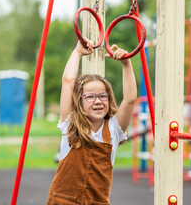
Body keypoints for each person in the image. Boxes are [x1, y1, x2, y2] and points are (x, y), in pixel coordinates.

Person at [46, 38, 137, 205]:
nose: (98, 101)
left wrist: (126, 64)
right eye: (90, 96)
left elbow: (130, 100)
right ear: (79, 101)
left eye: (103, 96)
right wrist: (78, 52)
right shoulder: (71, 124)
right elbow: (68, 82)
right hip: (63, 201)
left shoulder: (114, 129)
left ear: (109, 99)